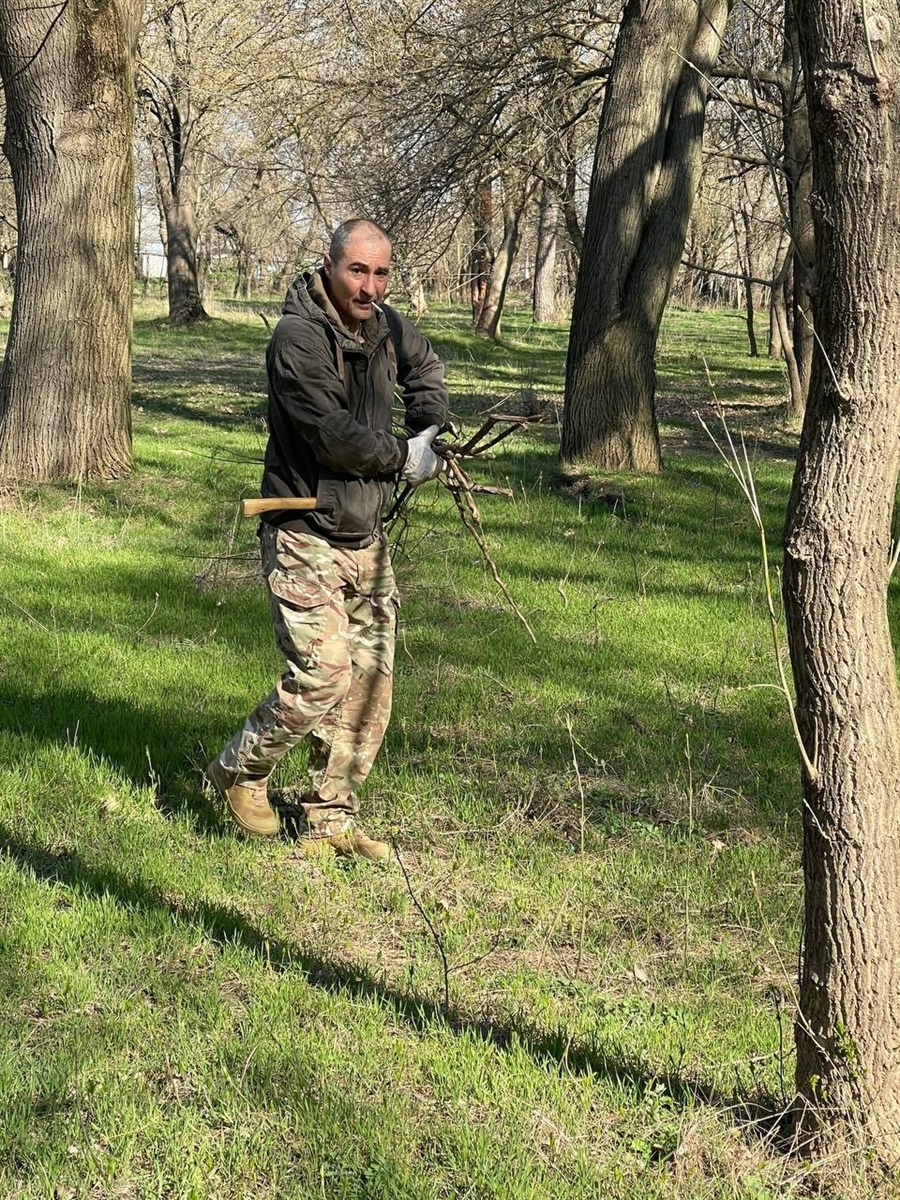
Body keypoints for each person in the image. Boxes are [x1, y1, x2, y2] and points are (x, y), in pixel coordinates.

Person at [206, 218, 449, 860]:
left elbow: (426, 369)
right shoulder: (297, 338)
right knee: (323, 675)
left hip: (365, 535)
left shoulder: (387, 326)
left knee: (371, 684)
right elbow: (332, 433)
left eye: (381, 273)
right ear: (329, 266)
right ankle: (239, 769)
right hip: (301, 530)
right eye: (357, 272)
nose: (369, 287)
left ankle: (330, 820)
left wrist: (427, 430)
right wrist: (402, 456)